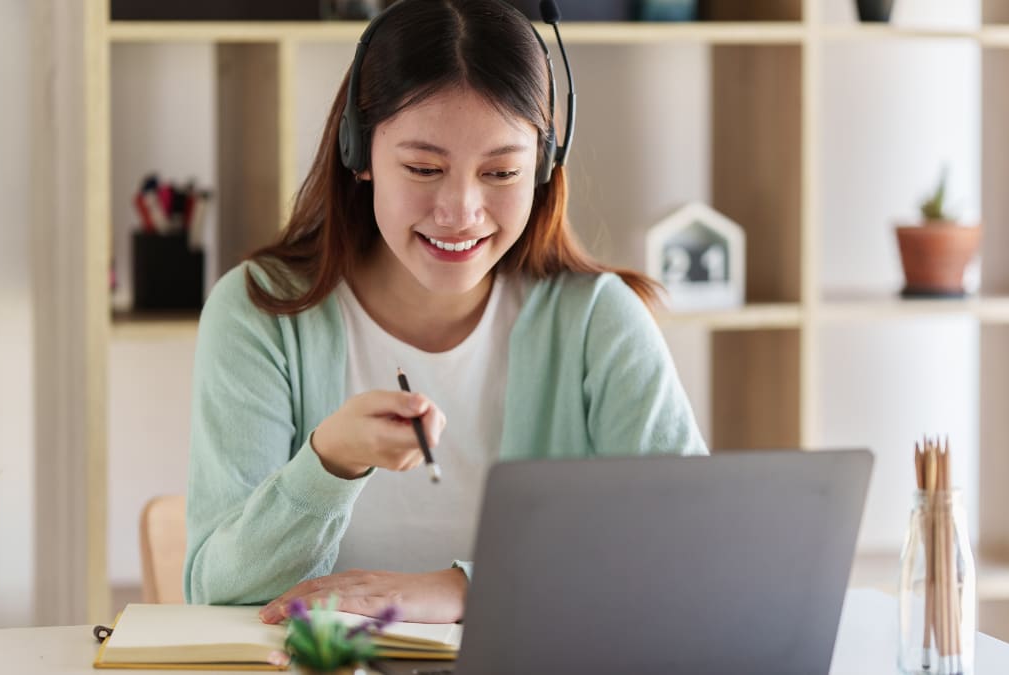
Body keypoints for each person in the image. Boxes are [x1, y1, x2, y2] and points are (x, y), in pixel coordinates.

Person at [184, 0, 707, 624]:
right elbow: (217, 595)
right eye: (424, 168)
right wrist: (328, 463)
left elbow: (689, 557)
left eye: (501, 171)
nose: (460, 211)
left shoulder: (598, 321)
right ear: (359, 154)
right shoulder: (259, 312)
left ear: (544, 164)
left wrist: (462, 591)